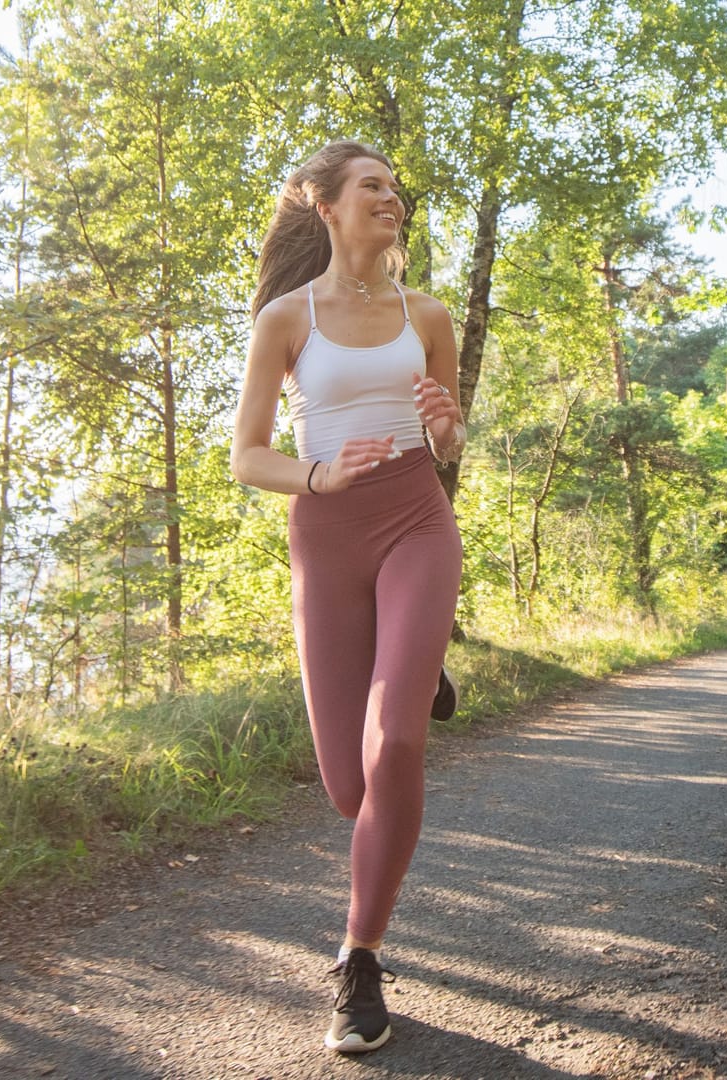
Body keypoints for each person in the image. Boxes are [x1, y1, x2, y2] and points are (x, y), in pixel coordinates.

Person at [230, 140, 466, 1055]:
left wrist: (444, 431)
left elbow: (446, 440)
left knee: (397, 742)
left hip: (416, 518)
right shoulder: (286, 320)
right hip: (326, 535)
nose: (392, 197)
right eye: (373, 185)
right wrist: (320, 476)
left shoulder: (429, 314)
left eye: (397, 187)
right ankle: (414, 666)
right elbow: (247, 454)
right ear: (322, 204)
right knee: (349, 787)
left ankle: (359, 959)